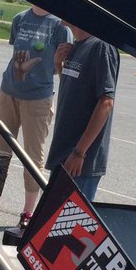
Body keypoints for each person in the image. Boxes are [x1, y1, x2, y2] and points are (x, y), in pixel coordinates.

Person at [0, 5, 72, 230]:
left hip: (38, 98)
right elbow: (16, 52)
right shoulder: (20, 19)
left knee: (33, 155)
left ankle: (29, 211)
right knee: (0, 150)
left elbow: (62, 65)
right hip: (9, 91)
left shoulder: (60, 26)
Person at [46, 26, 120, 201]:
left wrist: (80, 152)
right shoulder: (75, 46)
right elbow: (76, 90)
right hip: (63, 152)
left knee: (71, 223)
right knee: (51, 219)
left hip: (80, 161)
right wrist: (58, 65)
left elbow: (106, 102)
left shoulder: (101, 46)